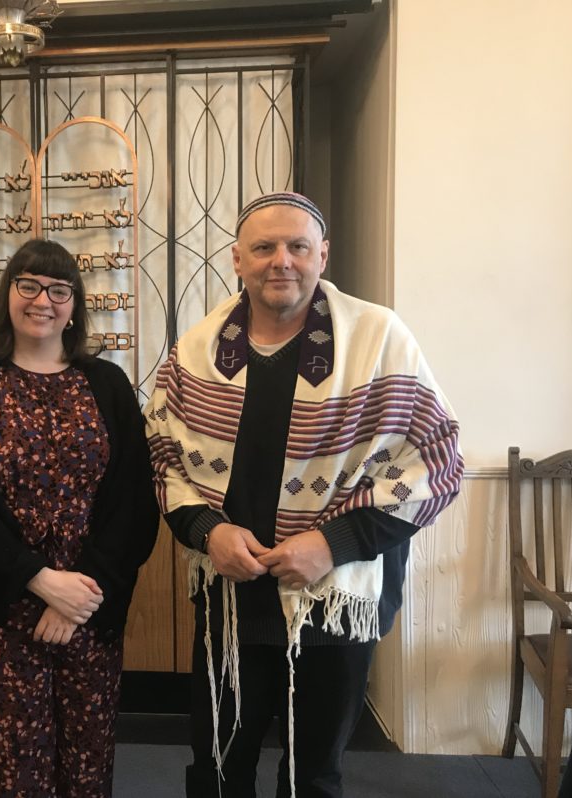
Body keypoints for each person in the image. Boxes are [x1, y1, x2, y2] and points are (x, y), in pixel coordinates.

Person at [144, 193, 463, 798]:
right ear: (238, 260)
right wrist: (208, 531)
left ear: (324, 254)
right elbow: (163, 458)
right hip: (232, 599)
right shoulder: (197, 350)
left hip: (331, 601)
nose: (280, 261)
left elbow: (437, 460)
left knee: (313, 775)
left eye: (297, 246)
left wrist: (330, 543)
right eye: (263, 247)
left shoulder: (379, 340)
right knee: (215, 769)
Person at [0, 238, 159, 797]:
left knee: (87, 763)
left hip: (89, 605)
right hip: (3, 613)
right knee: (14, 769)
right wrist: (38, 578)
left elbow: (133, 497)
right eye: (27, 285)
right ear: (7, 295)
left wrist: (82, 591)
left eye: (59, 289)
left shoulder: (107, 385)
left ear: (74, 305)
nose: (43, 300)